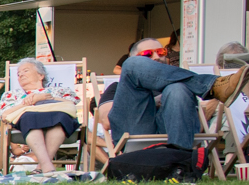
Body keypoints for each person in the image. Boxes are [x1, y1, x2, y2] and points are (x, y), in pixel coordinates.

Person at [99, 36, 245, 155]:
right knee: (131, 65)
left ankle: (180, 163)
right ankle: (212, 86)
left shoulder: (182, 86)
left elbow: (198, 124)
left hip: (173, 133)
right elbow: (106, 121)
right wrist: (154, 101)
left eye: (160, 52)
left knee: (177, 88)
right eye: (147, 54)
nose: (156, 57)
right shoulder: (117, 88)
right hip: (135, 132)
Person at [0, 58, 80, 173]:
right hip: (27, 122)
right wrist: (27, 103)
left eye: (25, 71)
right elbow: (4, 115)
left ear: (40, 75)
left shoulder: (58, 90)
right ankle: (47, 166)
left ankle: (42, 166)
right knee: (30, 118)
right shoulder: (12, 95)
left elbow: (71, 104)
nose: (21, 75)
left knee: (61, 117)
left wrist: (46, 97)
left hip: (57, 118)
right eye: (18, 74)